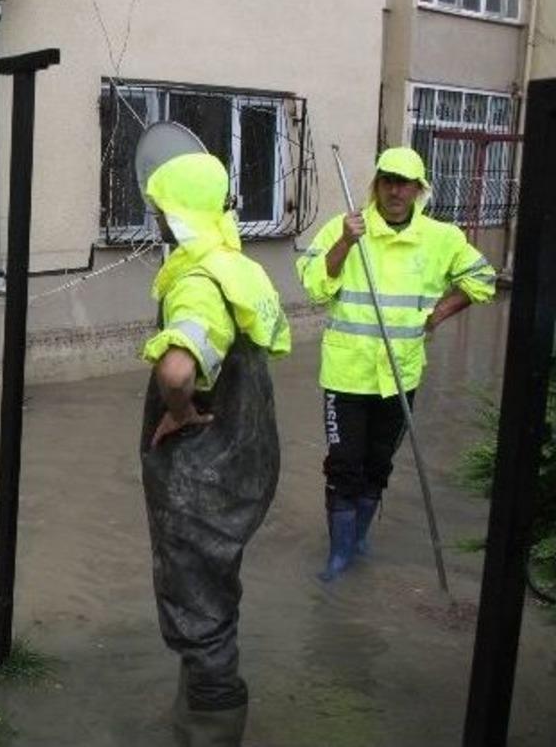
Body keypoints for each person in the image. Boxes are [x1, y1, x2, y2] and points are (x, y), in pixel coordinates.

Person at [138, 153, 290, 745]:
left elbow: (177, 370)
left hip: (201, 474)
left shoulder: (197, 283)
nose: (154, 217)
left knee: (197, 610)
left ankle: (210, 723)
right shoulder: (236, 266)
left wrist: (179, 413)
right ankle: (194, 711)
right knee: (213, 585)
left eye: (158, 207)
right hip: (246, 464)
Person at [297, 146, 496, 582]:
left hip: (400, 374)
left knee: (378, 465)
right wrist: (345, 243)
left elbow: (483, 280)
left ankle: (358, 540)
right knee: (343, 466)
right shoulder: (346, 227)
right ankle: (338, 557)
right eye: (388, 181)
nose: (395, 191)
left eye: (405, 183)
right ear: (377, 184)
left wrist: (438, 314)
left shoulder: (442, 238)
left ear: (419, 189)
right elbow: (313, 287)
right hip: (347, 376)